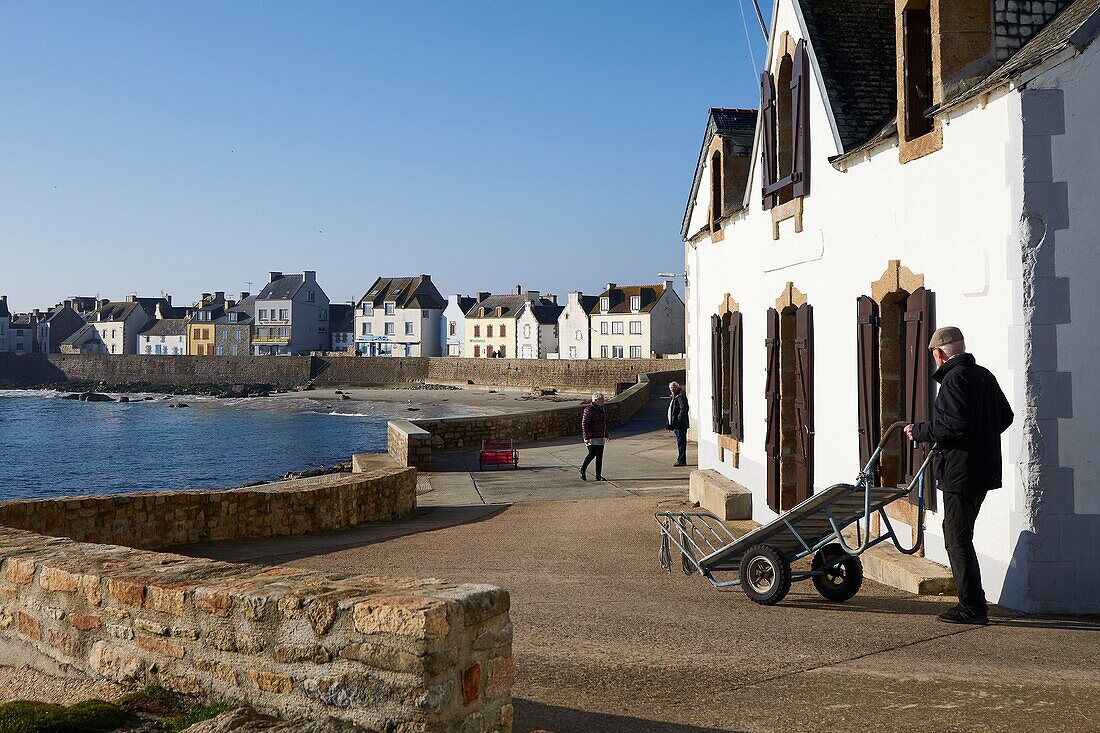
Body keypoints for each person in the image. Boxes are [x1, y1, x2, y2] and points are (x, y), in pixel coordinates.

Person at [905, 326, 1013, 626]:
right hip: (983, 469)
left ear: (938, 353)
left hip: (960, 472)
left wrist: (921, 430)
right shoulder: (984, 375)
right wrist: (980, 440)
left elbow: (954, 424)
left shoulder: (953, 380)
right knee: (961, 535)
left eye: (933, 355)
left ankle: (972, 607)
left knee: (956, 539)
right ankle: (973, 603)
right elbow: (1005, 416)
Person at [580, 392, 609, 481]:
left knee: (599, 456)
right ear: (596, 400)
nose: (603, 401)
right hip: (591, 436)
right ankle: (583, 470)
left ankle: (598, 475)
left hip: (600, 435)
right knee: (592, 454)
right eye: (601, 399)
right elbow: (584, 424)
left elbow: (603, 423)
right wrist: (586, 437)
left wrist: (606, 434)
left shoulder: (601, 409)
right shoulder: (588, 410)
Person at [667, 381, 689, 467]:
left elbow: (683, 409)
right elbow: (672, 411)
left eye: (673, 388)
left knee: (681, 442)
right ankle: (681, 459)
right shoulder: (675, 396)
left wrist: (678, 420)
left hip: (680, 424)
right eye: (671, 388)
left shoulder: (680, 396)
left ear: (677, 387)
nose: (672, 390)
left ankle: (682, 460)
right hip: (677, 424)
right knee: (680, 442)